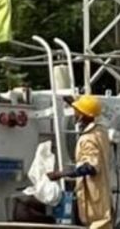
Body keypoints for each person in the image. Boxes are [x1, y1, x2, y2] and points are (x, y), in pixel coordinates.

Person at [47, 95, 113, 229]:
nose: (74, 114)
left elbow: (91, 167)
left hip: (94, 196)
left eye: (77, 112)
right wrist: (74, 103)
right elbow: (91, 112)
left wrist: (60, 174)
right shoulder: (101, 131)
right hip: (103, 192)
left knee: (98, 223)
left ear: (83, 115)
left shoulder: (89, 139)